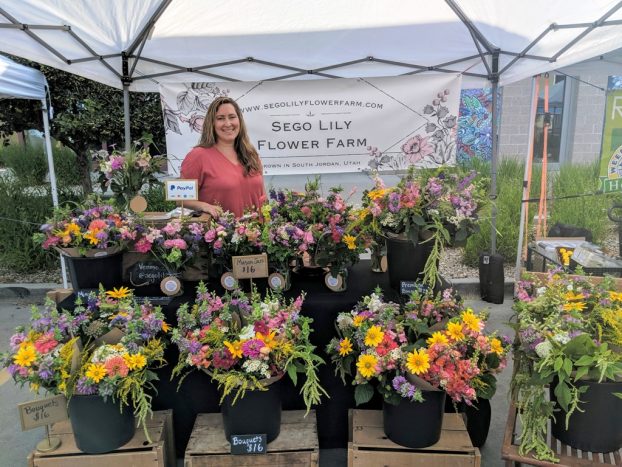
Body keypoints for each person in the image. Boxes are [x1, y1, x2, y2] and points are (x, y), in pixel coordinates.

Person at [180, 96, 266, 218]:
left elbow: (262, 194)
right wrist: (204, 206)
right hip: (221, 234)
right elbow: (180, 199)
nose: (228, 123)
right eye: (220, 118)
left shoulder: (251, 153)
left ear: (239, 120)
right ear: (212, 123)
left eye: (232, 117)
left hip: (257, 233)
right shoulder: (197, 156)